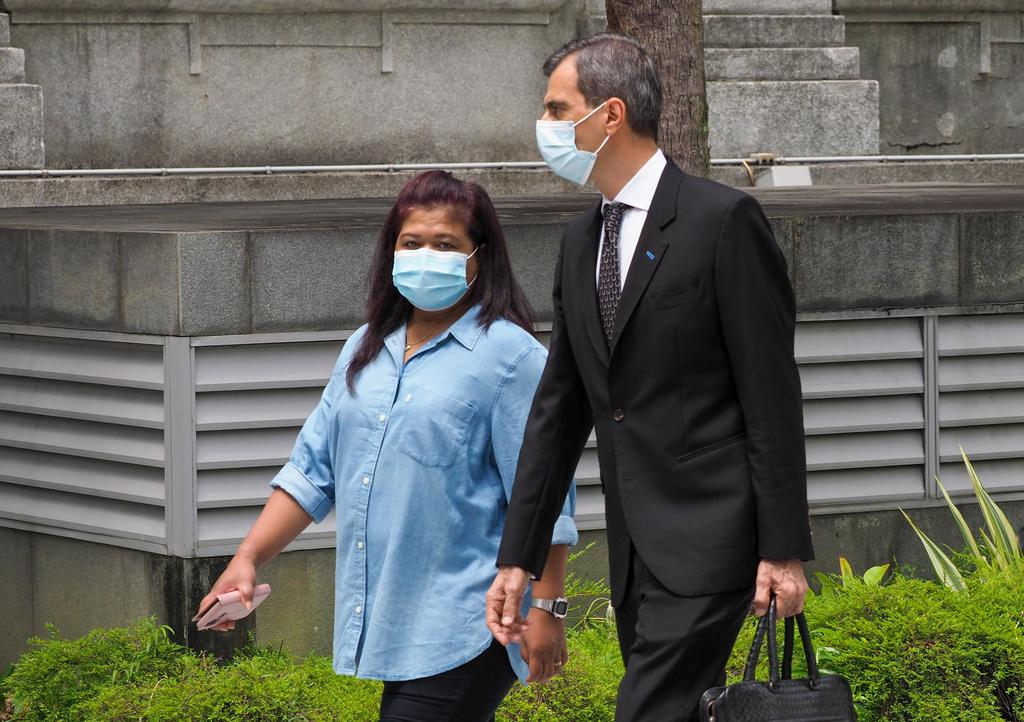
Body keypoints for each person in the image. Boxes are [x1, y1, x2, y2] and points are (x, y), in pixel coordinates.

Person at [485, 33, 814, 722]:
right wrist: (517, 557)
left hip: (715, 541)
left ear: (609, 114)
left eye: (555, 108)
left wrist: (783, 549)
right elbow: (558, 410)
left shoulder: (723, 221)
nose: (544, 127)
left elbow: (771, 397)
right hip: (638, 555)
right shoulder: (581, 241)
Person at [195, 170, 578, 722]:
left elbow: (546, 493)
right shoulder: (367, 347)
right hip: (398, 616)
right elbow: (314, 471)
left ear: (479, 257)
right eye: (411, 242)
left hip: (471, 618)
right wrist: (248, 557)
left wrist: (547, 608)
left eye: (445, 244)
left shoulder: (510, 357)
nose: (426, 255)